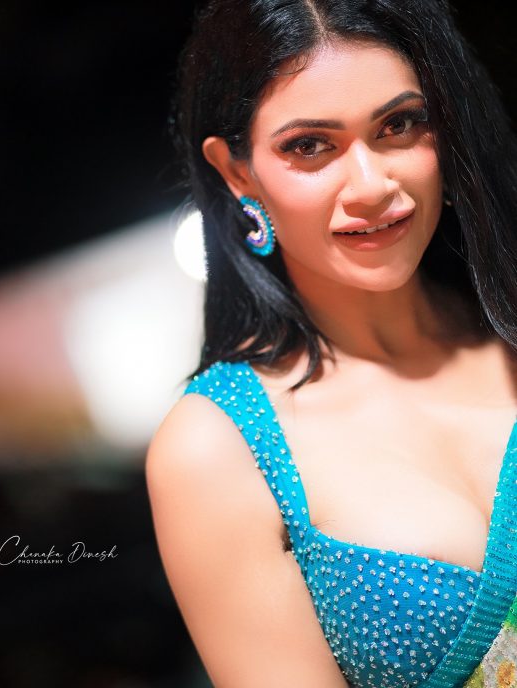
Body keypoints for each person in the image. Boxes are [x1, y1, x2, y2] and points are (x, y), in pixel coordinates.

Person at [146, 1, 517, 686]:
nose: (373, 187)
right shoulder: (218, 448)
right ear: (236, 172)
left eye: (398, 125)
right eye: (310, 146)